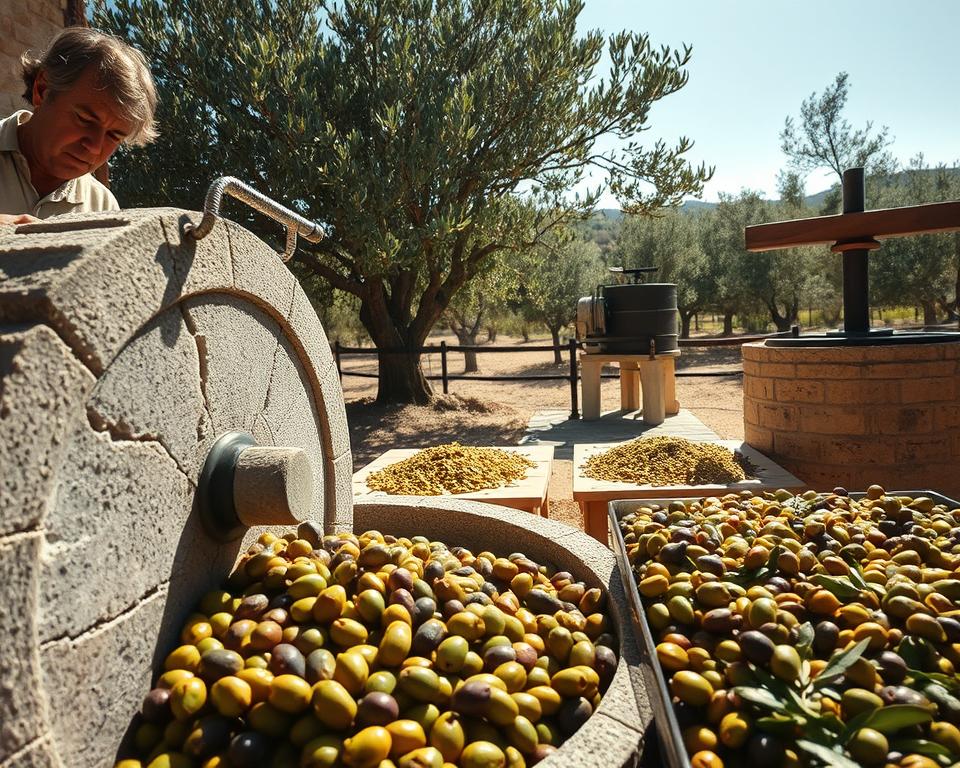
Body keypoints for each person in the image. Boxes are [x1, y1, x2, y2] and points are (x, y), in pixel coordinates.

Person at [0, 27, 157, 226]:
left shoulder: (102, 207)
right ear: (42, 90)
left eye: (114, 135)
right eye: (85, 120)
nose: (94, 146)